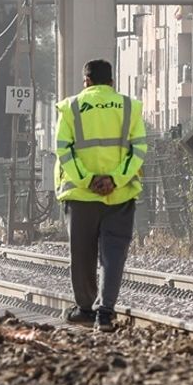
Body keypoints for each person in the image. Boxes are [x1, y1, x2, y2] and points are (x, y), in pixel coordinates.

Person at [54, 59, 148, 331]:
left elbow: (64, 150)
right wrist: (115, 180)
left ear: (87, 82)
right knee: (113, 254)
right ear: (111, 82)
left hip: (82, 196)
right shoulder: (130, 107)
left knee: (82, 254)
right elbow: (139, 150)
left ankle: (85, 308)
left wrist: (87, 180)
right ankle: (105, 312)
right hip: (120, 196)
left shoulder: (71, 107)